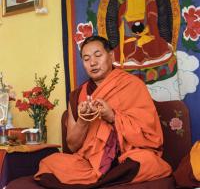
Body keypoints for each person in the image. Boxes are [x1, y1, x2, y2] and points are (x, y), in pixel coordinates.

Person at [34, 35, 172, 187]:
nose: (93, 63)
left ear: (111, 55)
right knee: (49, 163)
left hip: (127, 157)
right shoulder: (77, 95)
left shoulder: (133, 85)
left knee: (147, 161)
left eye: (98, 55)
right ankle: (105, 179)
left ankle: (100, 179)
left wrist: (112, 116)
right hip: (89, 162)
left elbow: (151, 136)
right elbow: (72, 146)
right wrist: (83, 121)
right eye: (86, 59)